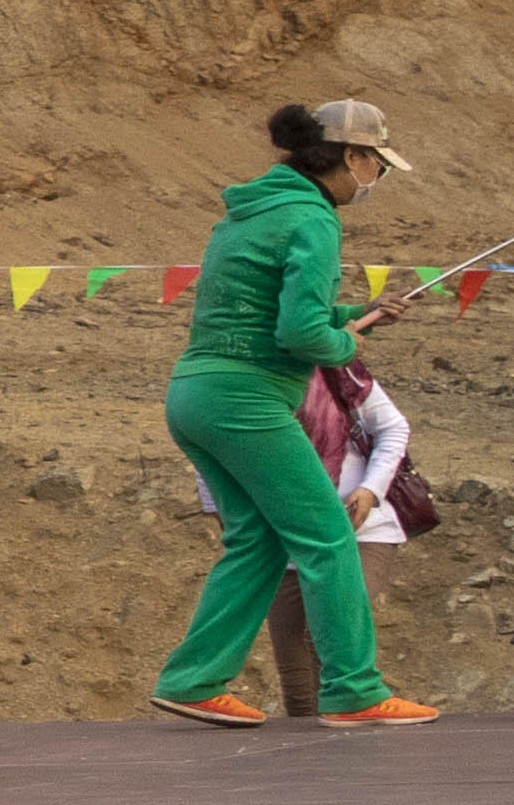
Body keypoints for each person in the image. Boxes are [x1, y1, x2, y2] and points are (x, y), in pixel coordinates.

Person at [156, 100, 439, 727]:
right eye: (377, 166)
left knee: (257, 541)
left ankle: (193, 679)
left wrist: (354, 315)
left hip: (195, 394)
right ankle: (355, 690)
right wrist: (346, 342)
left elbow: (262, 310)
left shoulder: (250, 211)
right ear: (352, 157)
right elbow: (301, 333)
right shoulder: (315, 218)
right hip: (249, 399)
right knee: (328, 535)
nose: (376, 180)